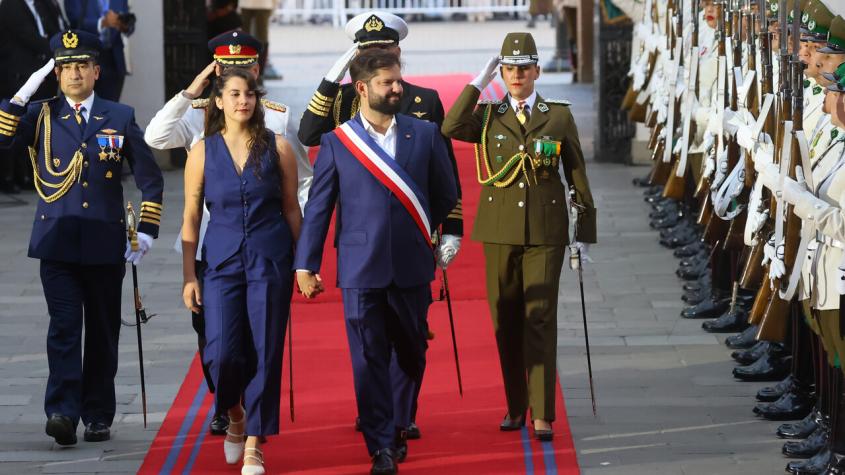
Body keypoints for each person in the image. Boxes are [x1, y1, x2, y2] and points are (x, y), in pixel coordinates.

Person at [298, 11, 464, 440]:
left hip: (410, 248)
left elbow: (445, 181)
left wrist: (447, 229)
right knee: (368, 351)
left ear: (398, 52)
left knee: (409, 346)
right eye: (370, 56)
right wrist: (307, 261)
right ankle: (382, 431)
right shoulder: (342, 113)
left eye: (387, 55)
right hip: (360, 255)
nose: (392, 83)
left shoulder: (422, 105)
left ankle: (398, 413)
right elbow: (311, 144)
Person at [144, 29, 313, 436]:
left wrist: (297, 250)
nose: (242, 95)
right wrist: (192, 91)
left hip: (265, 242)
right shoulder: (196, 114)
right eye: (228, 74)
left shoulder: (278, 118)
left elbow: (300, 186)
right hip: (210, 243)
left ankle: (251, 424)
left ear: (257, 69)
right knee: (216, 341)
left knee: (261, 340)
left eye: (246, 72)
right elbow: (156, 136)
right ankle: (229, 403)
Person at [0, 29, 163, 445]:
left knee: (104, 332)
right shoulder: (41, 115)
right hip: (57, 242)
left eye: (81, 66)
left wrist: (146, 231)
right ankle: (62, 411)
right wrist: (19, 98)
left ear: (96, 70)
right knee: (65, 328)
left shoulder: (119, 115)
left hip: (105, 244)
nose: (73, 74)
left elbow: (150, 178)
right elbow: (4, 145)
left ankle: (97, 414)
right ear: (56, 73)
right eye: (65, 67)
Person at [442, 32, 596, 442]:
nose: (516, 76)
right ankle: (516, 405)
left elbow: (576, 171)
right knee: (505, 321)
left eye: (523, 68)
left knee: (540, 318)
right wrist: (478, 81)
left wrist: (585, 228)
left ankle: (542, 412)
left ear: (536, 71)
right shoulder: (489, 115)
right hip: (499, 231)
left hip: (546, 230)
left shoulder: (558, 115)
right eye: (508, 69)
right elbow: (451, 124)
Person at [181, 67, 301, 475]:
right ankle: (234, 413)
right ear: (218, 101)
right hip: (221, 260)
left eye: (249, 94)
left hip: (270, 259)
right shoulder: (202, 151)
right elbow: (191, 216)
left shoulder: (278, 147)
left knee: (266, 350)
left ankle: (255, 443)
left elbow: (291, 208)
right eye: (233, 94)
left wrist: (304, 263)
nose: (242, 101)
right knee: (220, 352)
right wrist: (188, 275)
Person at [0, 0, 67, 193]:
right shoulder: (10, 6)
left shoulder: (41, 4)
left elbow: (52, 29)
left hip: (39, 75)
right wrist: (59, 52)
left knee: (36, 126)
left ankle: (30, 174)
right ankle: (9, 177)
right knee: (13, 126)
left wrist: (62, 45)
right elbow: (27, 36)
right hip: (16, 77)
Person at [63, 0, 133, 102]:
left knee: (110, 110)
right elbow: (75, 20)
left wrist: (123, 24)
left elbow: (129, 24)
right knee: (84, 109)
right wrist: (103, 22)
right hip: (86, 59)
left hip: (114, 61)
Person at [239, 0, 282, 80]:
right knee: (258, 37)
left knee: (249, 37)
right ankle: (257, 71)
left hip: (256, 4)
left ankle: (248, 69)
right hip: (261, 4)